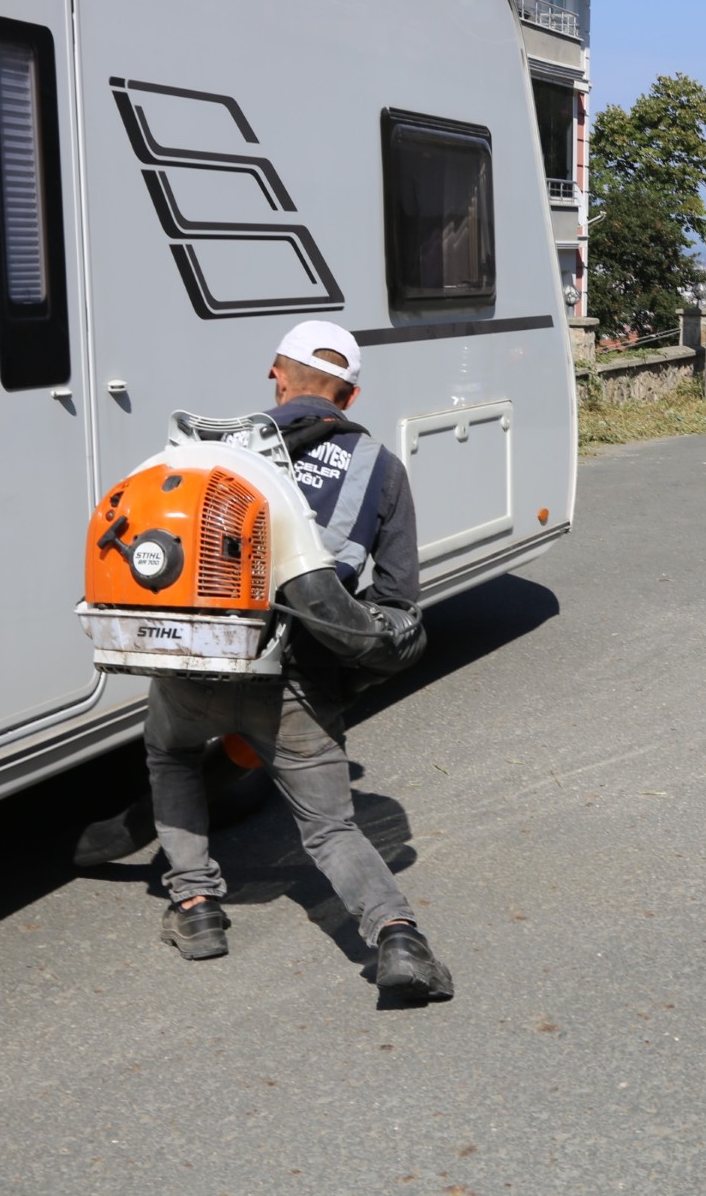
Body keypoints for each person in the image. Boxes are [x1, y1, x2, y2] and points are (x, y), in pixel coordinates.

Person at [144, 319, 452, 1000]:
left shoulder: (216, 452)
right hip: (297, 685)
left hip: (200, 665)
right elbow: (397, 604)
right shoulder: (383, 469)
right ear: (351, 394)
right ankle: (397, 936)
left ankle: (196, 907)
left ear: (276, 377)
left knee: (171, 755)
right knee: (330, 827)